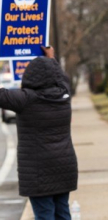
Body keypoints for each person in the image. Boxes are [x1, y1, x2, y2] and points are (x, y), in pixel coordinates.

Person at [0, 46, 78, 220]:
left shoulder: (25, 99)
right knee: (63, 214)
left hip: (38, 172)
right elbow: (62, 78)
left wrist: (50, 60)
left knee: (44, 216)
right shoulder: (64, 95)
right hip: (64, 168)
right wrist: (52, 59)